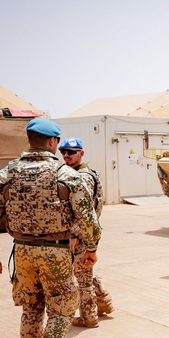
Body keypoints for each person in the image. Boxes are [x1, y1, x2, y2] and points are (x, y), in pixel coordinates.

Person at [0, 119, 101, 338]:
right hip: (56, 252)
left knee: (31, 308)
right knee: (62, 310)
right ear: (52, 142)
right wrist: (91, 248)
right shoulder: (65, 173)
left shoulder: (8, 172)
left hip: (22, 251)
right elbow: (88, 216)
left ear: (29, 140)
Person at [58, 137, 114, 327]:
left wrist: (73, 235)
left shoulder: (82, 177)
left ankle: (88, 317)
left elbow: (82, 210)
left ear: (81, 153)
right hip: (86, 231)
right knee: (85, 270)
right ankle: (104, 302)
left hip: (81, 233)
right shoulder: (86, 172)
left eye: (71, 152)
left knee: (82, 279)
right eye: (63, 152)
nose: (66, 155)